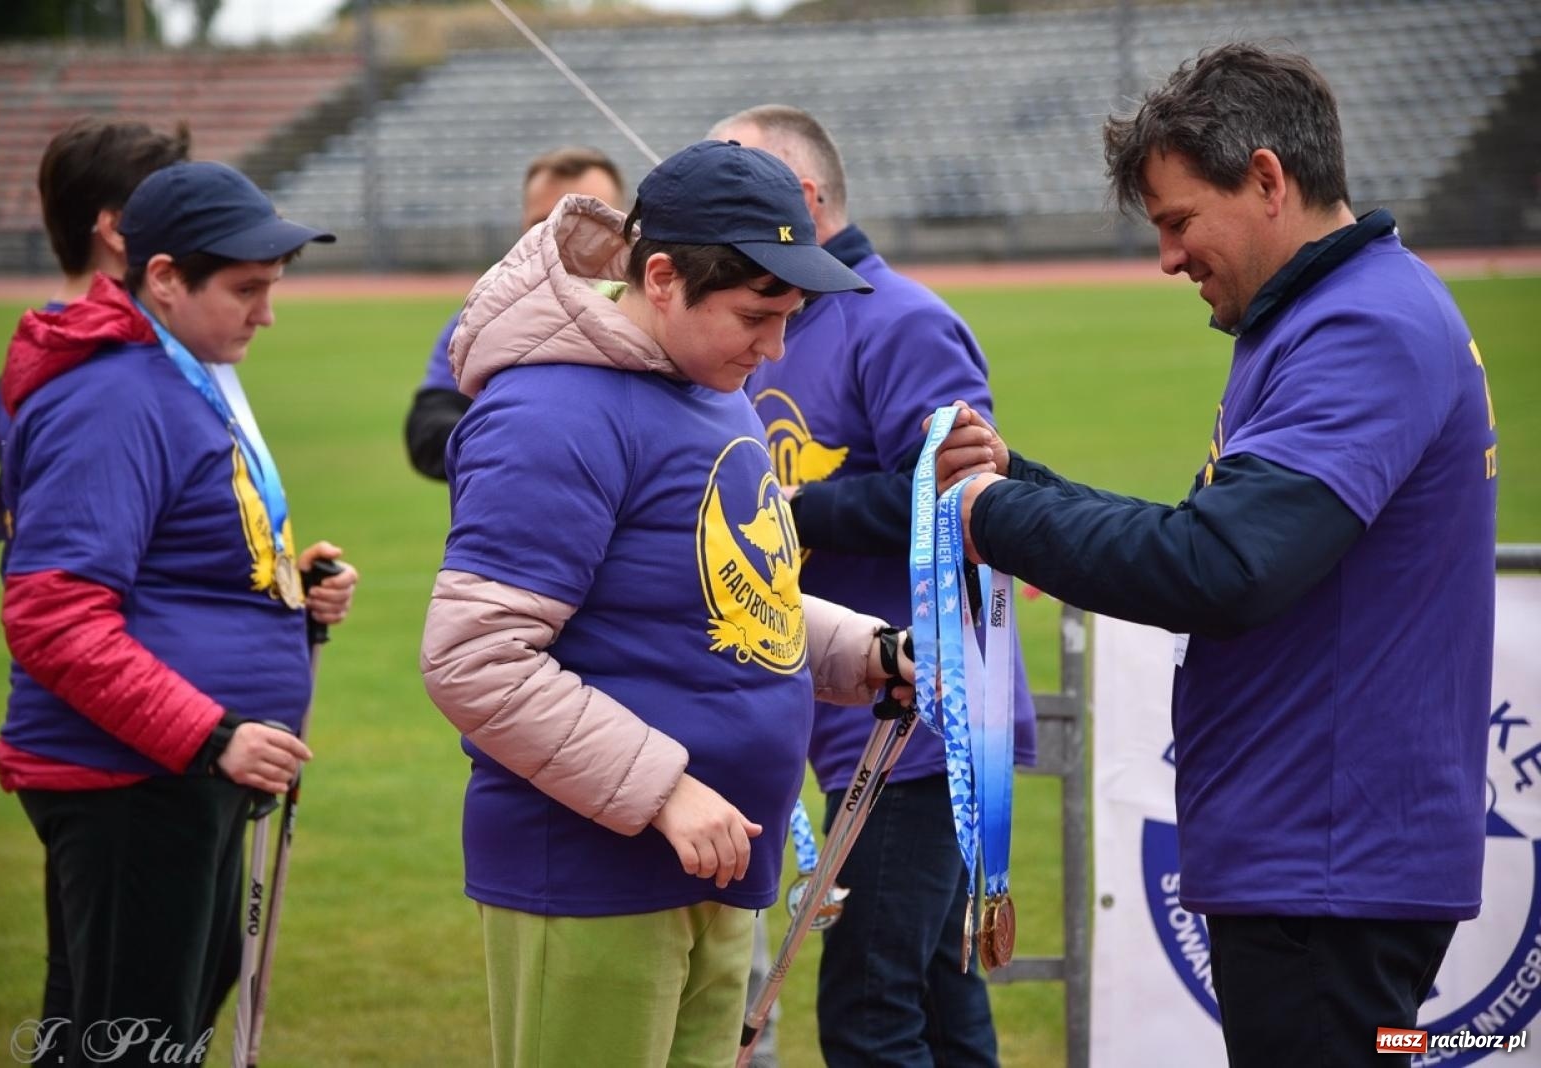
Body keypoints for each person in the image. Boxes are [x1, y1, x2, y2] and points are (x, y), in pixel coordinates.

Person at [935, 43, 1496, 1068]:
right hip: (1317, 853)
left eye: (1179, 221)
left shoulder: (1361, 326)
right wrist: (1021, 482)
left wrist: (994, 518)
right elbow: (1211, 535)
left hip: (1331, 868)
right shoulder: (1330, 315)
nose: (1166, 259)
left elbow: (1220, 567)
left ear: (1268, 180)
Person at [419, 139, 916, 1068]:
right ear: (659, 276)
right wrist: (666, 791)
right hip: (594, 877)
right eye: (756, 316)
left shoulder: (712, 388)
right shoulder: (552, 413)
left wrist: (870, 650)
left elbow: (730, 600)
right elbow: (475, 659)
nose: (775, 348)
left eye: (790, 318)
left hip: (715, 862)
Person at [0, 159, 359, 1065]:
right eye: (246, 289)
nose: (266, 313)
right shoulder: (113, 397)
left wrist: (286, 595)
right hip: (135, 780)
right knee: (136, 1039)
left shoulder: (170, 371)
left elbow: (175, 563)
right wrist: (209, 734)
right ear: (162, 276)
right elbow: (54, 617)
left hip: (173, 772)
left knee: (141, 1024)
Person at [710, 103, 1036, 1067]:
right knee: (933, 996)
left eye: (743, 183)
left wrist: (783, 516)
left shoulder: (899, 319)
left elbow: (957, 491)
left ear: (804, 200)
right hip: (851, 718)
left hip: (920, 725)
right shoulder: (781, 323)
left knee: (867, 1006)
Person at [0, 118, 191, 526]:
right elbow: (69, 578)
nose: (195, 232)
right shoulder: (97, 372)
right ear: (115, 229)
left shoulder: (64, 346)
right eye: (179, 214)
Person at [403, 145, 625, 480]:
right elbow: (428, 429)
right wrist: (515, 444)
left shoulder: (655, 317)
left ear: (622, 220)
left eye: (584, 220)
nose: (559, 234)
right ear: (522, 224)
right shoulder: (481, 320)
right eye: (542, 222)